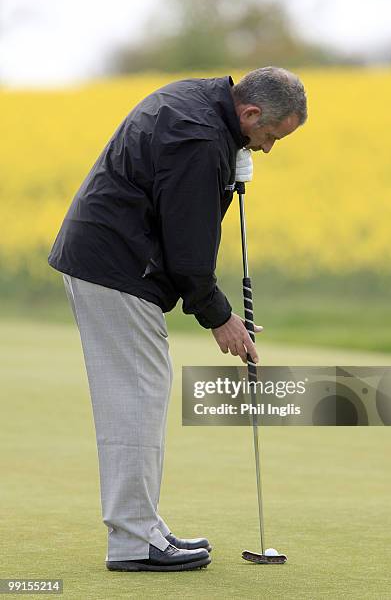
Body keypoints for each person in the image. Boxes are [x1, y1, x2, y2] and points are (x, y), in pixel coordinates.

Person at [47, 66, 307, 572]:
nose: (268, 149)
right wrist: (221, 318)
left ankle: (143, 526)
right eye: (269, 136)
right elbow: (189, 253)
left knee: (143, 388)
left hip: (111, 259)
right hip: (114, 265)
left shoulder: (202, 106)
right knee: (137, 393)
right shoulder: (199, 137)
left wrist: (231, 170)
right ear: (250, 112)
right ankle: (132, 539)